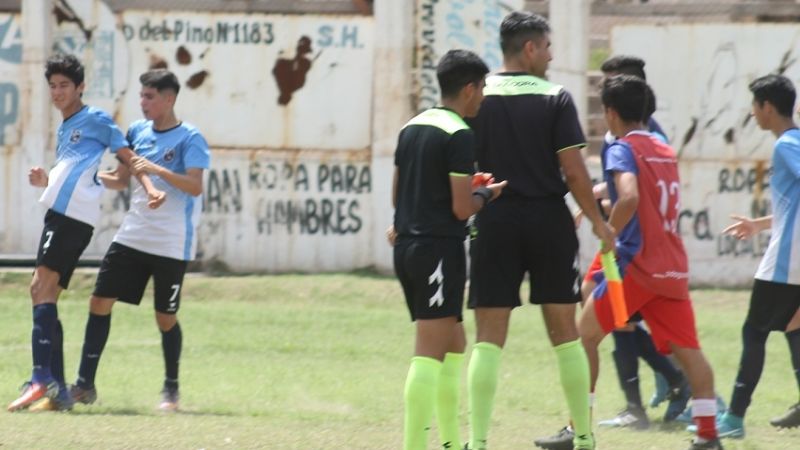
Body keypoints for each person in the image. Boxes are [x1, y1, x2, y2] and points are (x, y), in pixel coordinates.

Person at [465, 11, 615, 450]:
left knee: (489, 339)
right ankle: (584, 437)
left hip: (492, 218)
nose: (551, 56)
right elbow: (573, 172)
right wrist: (600, 224)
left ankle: (476, 442)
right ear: (529, 49)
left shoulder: (479, 95)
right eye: (547, 47)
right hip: (549, 221)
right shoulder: (556, 97)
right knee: (565, 335)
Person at [7, 54, 164, 413]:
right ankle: (58, 391)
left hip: (71, 219)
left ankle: (40, 379)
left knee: (39, 288)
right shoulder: (66, 126)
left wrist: (150, 189)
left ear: (80, 87)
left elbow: (129, 157)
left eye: (65, 85)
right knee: (44, 293)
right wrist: (46, 180)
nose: (58, 92)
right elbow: (80, 175)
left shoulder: (95, 119)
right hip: (64, 216)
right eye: (53, 86)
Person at [578, 74, 723, 450]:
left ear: (610, 112)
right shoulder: (663, 148)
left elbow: (628, 198)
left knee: (584, 336)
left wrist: (609, 232)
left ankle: (579, 430)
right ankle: (708, 435)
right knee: (692, 355)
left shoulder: (621, 148)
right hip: (671, 269)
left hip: (637, 267)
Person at [64, 68, 209, 412]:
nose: (142, 103)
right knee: (99, 301)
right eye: (141, 96)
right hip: (133, 235)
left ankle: (171, 391)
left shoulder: (191, 138)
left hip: (172, 243)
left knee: (165, 318)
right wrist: (77, 175)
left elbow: (194, 186)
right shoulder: (137, 132)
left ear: (169, 99)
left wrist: (157, 170)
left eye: (150, 97)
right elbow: (119, 179)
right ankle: (84, 385)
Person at [390, 49, 506, 450]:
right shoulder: (459, 133)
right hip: (437, 250)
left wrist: (462, 185)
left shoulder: (412, 126)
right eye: (483, 89)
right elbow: (461, 209)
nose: (484, 98)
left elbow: (398, 191)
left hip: (406, 246)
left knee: (454, 343)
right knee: (428, 353)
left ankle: (452, 444)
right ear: (470, 88)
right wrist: (484, 193)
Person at [702, 74, 800, 438]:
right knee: (794, 327)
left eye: (754, 106)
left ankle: (735, 419)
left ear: (767, 108)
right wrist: (760, 224)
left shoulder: (786, 144)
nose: (752, 113)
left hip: (787, 262)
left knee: (754, 332)